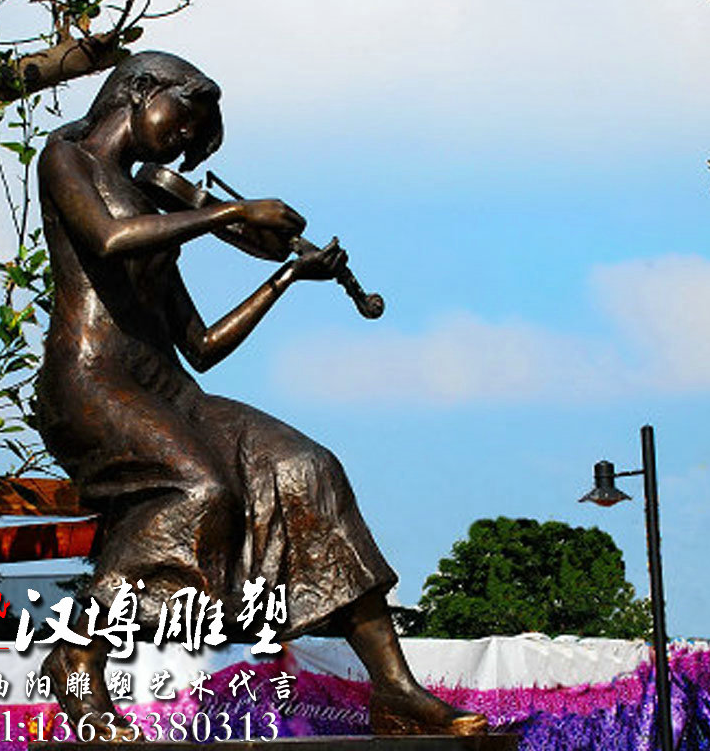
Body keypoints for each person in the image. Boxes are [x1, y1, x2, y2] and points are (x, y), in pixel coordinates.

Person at [36, 51, 487, 738]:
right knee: (199, 488)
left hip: (169, 391)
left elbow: (200, 345)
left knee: (308, 469)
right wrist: (233, 212)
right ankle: (78, 653)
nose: (183, 144)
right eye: (183, 122)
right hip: (91, 384)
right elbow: (109, 237)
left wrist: (287, 277)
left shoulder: (153, 207)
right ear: (142, 89)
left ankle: (395, 690)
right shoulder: (68, 158)